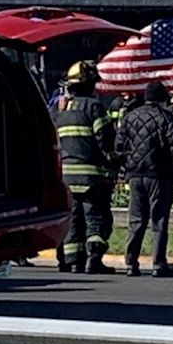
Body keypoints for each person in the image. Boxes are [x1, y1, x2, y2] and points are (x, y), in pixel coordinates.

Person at [116, 80, 173, 279]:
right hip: (160, 176)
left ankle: (131, 263)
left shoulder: (130, 117)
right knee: (159, 220)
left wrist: (128, 165)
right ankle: (158, 263)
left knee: (136, 220)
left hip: (135, 176)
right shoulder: (167, 118)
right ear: (162, 98)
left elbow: (119, 146)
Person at [54, 60, 115, 275]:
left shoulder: (58, 110)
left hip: (66, 179)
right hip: (92, 178)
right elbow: (106, 140)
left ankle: (72, 261)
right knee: (96, 220)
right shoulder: (94, 107)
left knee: (73, 221)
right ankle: (94, 260)